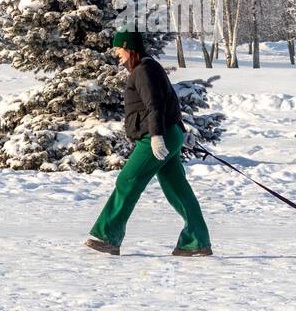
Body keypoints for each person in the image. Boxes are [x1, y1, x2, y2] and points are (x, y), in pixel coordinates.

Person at [85, 29, 213, 257]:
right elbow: (169, 102)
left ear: (129, 47)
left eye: (119, 49)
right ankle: (197, 241)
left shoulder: (144, 70)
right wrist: (180, 133)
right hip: (167, 133)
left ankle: (108, 236)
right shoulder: (148, 68)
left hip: (156, 136)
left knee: (128, 179)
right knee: (177, 188)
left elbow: (154, 105)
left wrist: (156, 136)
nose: (117, 54)